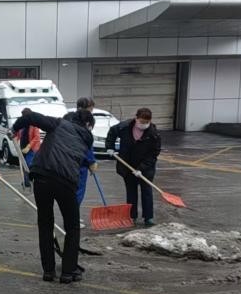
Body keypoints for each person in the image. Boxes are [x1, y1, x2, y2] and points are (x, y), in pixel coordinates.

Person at [12, 108, 94, 283]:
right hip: (66, 181)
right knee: (72, 227)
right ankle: (68, 272)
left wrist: (15, 128)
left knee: (45, 224)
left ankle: (48, 271)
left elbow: (31, 116)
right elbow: (84, 160)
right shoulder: (86, 138)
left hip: (42, 177)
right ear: (87, 124)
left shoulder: (58, 124)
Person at [105, 108, 161, 226]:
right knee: (131, 191)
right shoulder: (124, 127)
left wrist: (141, 168)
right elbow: (112, 132)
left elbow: (153, 154)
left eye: (146, 122)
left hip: (146, 168)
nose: (144, 124)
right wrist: (110, 147)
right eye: (141, 121)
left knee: (146, 191)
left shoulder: (153, 134)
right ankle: (132, 216)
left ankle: (148, 218)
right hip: (127, 165)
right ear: (136, 118)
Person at [65, 98, 99, 228]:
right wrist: (91, 161)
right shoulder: (83, 123)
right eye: (91, 108)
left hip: (66, 161)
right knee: (77, 192)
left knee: (70, 192)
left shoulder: (68, 119)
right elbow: (86, 145)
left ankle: (72, 216)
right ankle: (72, 219)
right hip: (79, 164)